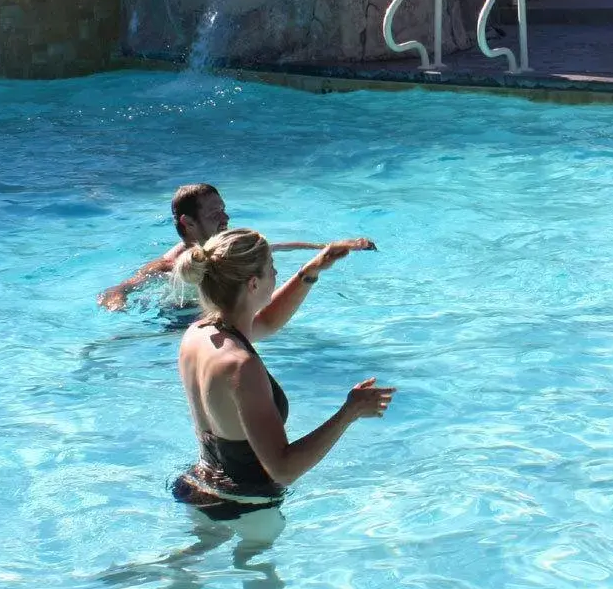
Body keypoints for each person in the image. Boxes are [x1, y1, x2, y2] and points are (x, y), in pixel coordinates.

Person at [172, 228, 395, 525]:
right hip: (247, 506)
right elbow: (283, 469)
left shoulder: (198, 334)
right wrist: (349, 412)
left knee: (190, 565)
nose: (276, 274)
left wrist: (310, 271)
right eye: (272, 270)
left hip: (198, 486)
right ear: (253, 283)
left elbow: (265, 321)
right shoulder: (241, 366)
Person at [98, 183, 326, 312]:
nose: (225, 217)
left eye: (223, 209)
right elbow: (116, 290)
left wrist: (322, 248)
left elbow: (271, 247)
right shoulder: (169, 266)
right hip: (180, 323)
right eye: (214, 213)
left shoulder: (227, 248)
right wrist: (118, 305)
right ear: (189, 223)